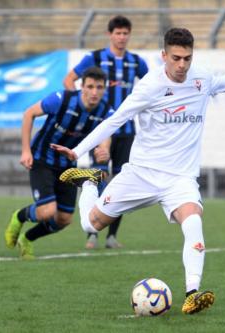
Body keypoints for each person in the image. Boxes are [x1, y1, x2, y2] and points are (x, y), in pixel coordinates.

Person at [52, 28, 225, 314]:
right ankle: (89, 184)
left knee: (194, 222)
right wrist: (78, 151)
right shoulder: (150, 86)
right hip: (142, 174)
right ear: (164, 55)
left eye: (187, 58)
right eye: (176, 58)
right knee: (91, 224)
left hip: (180, 178)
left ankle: (192, 293)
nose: (182, 65)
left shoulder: (201, 77)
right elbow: (115, 121)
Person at [4, 67, 112, 259]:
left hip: (68, 166)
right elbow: (29, 114)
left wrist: (104, 150)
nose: (94, 92)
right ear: (82, 87)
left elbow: (106, 135)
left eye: (99, 87)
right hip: (42, 159)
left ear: (104, 89)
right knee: (47, 212)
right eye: (90, 86)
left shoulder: (105, 110)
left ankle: (27, 239)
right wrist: (25, 150)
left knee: (63, 219)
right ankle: (19, 216)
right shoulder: (62, 99)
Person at [64, 15, 149, 250]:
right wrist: (79, 107)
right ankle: (92, 233)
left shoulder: (136, 62)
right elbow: (69, 79)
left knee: (121, 182)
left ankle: (112, 236)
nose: (121, 37)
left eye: (125, 33)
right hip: (100, 129)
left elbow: (154, 85)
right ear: (110, 35)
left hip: (127, 131)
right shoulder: (95, 58)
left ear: (129, 35)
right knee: (97, 177)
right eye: (118, 33)